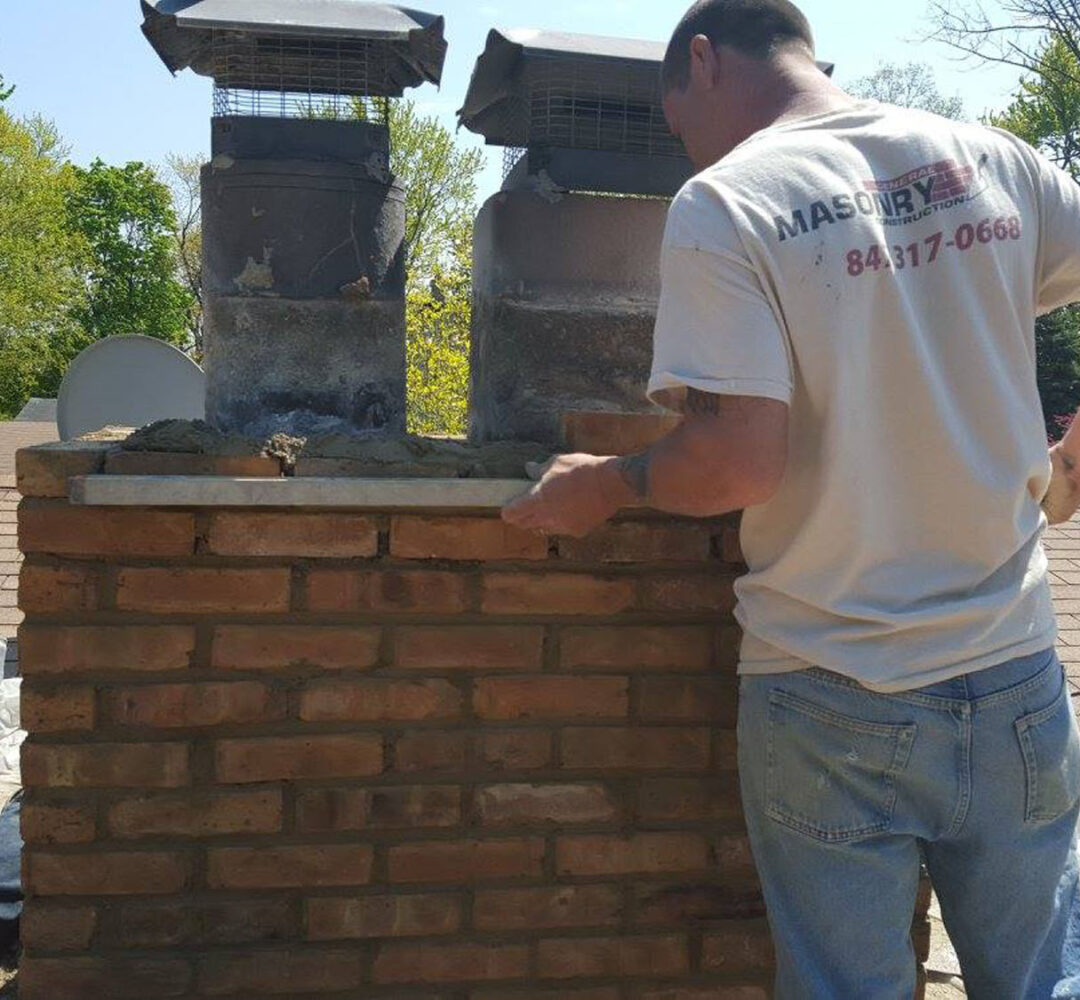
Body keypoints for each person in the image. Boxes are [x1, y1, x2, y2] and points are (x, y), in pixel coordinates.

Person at [502, 0, 1080, 995]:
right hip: (1015, 675)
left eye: (679, 124)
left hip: (831, 685)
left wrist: (605, 484)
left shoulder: (727, 203)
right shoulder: (991, 158)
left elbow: (737, 464)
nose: (687, 152)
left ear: (703, 59)